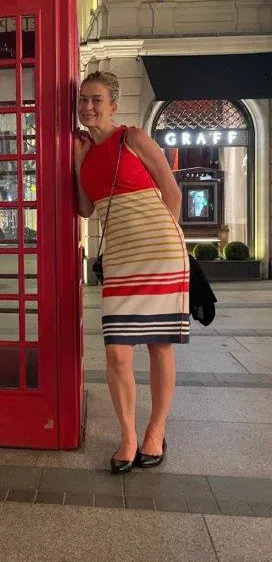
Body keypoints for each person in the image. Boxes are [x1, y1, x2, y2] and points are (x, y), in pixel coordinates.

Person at [74, 71, 189, 474]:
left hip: (159, 253)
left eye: (96, 99)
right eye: (83, 99)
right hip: (121, 261)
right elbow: (86, 209)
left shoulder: (134, 138)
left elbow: (171, 192)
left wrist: (161, 239)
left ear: (113, 104)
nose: (88, 106)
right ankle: (127, 435)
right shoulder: (84, 152)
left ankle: (155, 431)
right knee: (117, 352)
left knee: (160, 345)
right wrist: (76, 160)